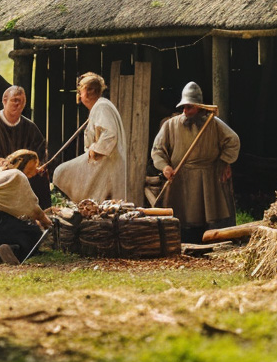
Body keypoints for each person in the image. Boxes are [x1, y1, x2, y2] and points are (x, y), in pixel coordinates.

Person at [151, 82, 241, 243]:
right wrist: (165, 167)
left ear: (199, 107)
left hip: (207, 176)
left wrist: (224, 162)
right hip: (181, 177)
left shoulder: (212, 123)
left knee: (208, 216)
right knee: (182, 215)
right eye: (184, 107)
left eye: (190, 107)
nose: (186, 111)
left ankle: (209, 240)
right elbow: (157, 150)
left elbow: (233, 141)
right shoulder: (170, 125)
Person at [52, 72, 129, 202]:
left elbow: (110, 134)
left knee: (61, 172)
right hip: (104, 164)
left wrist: (95, 151)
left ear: (87, 93)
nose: (79, 95)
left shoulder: (101, 107)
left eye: (80, 91)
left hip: (106, 164)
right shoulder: (99, 107)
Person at [0, 149, 52, 264]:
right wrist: (47, 222)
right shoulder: (17, 175)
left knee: (18, 229)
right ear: (21, 162)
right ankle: (15, 252)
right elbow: (34, 209)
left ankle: (0, 250)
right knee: (34, 232)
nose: (35, 171)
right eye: (32, 167)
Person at [0, 85, 49, 207]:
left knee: (41, 176)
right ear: (4, 101)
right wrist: (5, 168)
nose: (18, 105)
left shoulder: (30, 128)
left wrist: (38, 166)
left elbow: (40, 152)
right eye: (15, 100)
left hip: (25, 175)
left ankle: (42, 214)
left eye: (22, 102)